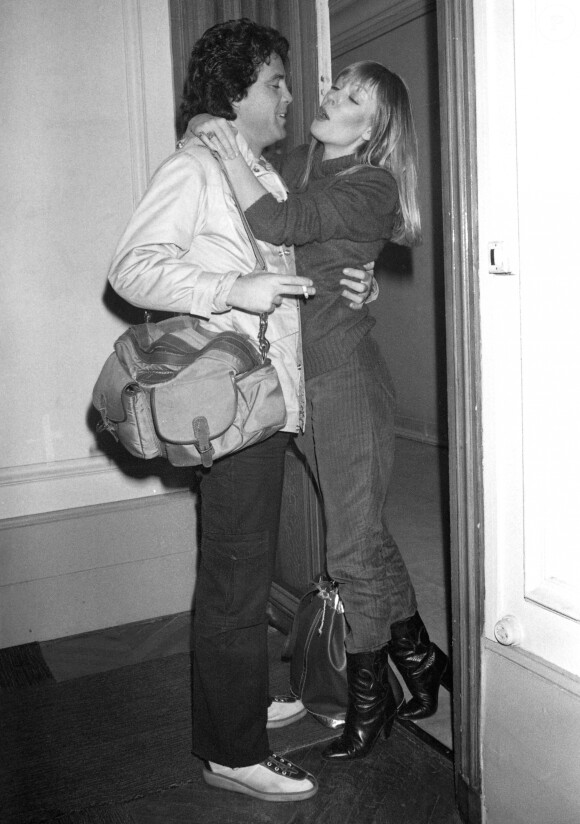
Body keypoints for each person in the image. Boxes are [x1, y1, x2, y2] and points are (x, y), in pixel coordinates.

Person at [107, 18, 375, 802]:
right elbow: (132, 268)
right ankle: (232, 750)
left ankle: (245, 698)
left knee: (247, 566)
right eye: (274, 84)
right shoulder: (195, 168)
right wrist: (229, 290)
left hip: (269, 401)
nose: (290, 96)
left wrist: (349, 287)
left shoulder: (254, 170)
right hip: (232, 405)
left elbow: (287, 279)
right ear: (234, 95)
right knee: (234, 574)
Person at [190, 59, 452, 762]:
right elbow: (284, 226)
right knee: (363, 530)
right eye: (336, 85)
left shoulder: (372, 182)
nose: (330, 94)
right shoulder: (303, 161)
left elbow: (278, 218)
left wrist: (219, 143)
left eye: (353, 96)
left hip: (346, 383)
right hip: (303, 382)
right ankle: (419, 657)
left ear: (375, 128)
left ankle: (370, 702)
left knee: (348, 547)